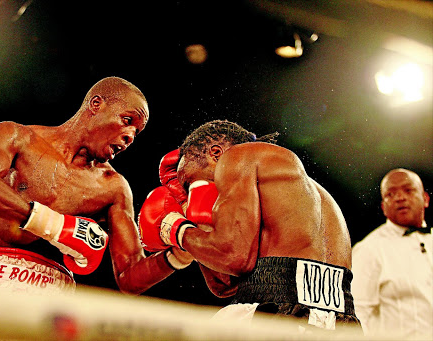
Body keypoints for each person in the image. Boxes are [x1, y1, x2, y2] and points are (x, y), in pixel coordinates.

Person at [0, 76, 191, 296]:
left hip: (51, 296)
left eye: (136, 132)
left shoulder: (113, 188)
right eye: (127, 120)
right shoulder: (18, 137)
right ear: (96, 105)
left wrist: (181, 250)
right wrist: (56, 227)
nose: (130, 136)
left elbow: (129, 276)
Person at [138, 119, 361, 332]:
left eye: (191, 183)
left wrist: (174, 228)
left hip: (279, 314)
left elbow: (232, 257)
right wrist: (196, 220)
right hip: (342, 321)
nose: (195, 192)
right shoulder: (308, 191)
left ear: (216, 153)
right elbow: (223, 285)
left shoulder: (238, 156)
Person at [351, 168, 432, 338]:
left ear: (425, 199)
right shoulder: (368, 250)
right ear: (383, 207)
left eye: (408, 190)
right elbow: (357, 316)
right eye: (390, 194)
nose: (400, 198)